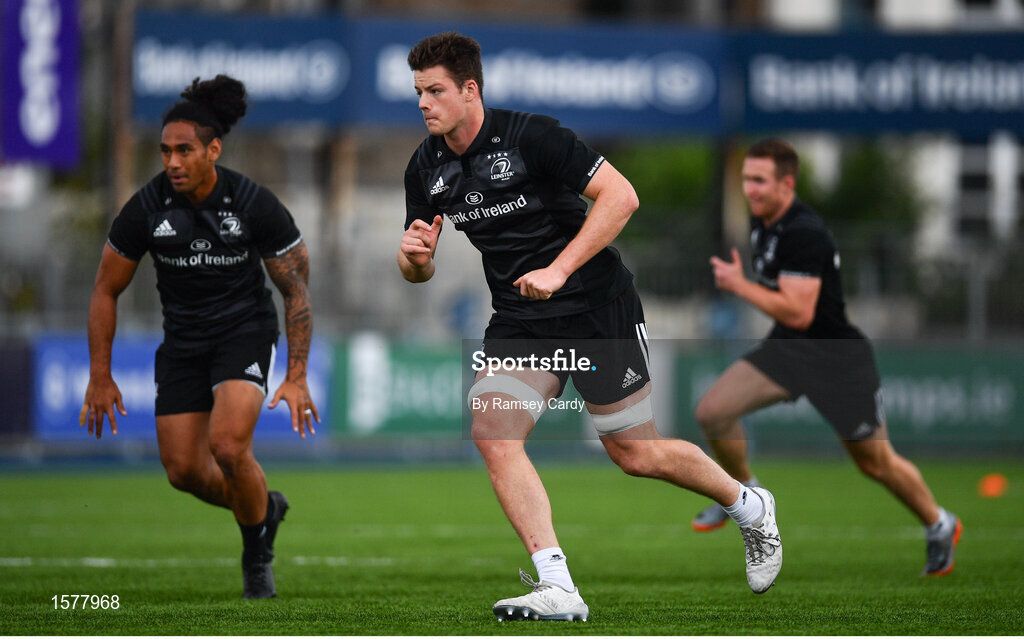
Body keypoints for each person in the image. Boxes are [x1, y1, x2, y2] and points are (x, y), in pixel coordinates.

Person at [398, 32, 783, 622]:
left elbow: (621, 197)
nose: (423, 103)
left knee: (635, 452)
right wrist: (416, 259)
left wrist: (558, 268)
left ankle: (749, 506)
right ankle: (558, 586)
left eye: (435, 91)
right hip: (522, 319)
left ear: (470, 89)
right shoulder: (425, 166)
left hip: (597, 308)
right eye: (419, 92)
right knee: (493, 430)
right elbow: (415, 268)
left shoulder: (534, 136)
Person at [79, 75, 320, 599]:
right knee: (183, 470)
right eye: (165, 151)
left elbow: (296, 290)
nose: (172, 162)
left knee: (229, 447)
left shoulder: (254, 203)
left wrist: (297, 375)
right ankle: (264, 509)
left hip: (244, 332)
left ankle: (256, 555)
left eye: (184, 150)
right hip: (183, 342)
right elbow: (104, 290)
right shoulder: (145, 208)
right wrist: (101, 374)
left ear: (213, 149)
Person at [691, 137, 961, 577]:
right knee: (713, 411)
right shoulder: (764, 223)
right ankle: (746, 495)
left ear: (787, 183)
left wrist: (740, 286)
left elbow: (800, 311)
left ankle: (939, 523)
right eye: (746, 180)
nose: (750, 190)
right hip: (789, 350)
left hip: (837, 361)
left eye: (759, 181)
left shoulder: (804, 232)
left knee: (875, 462)